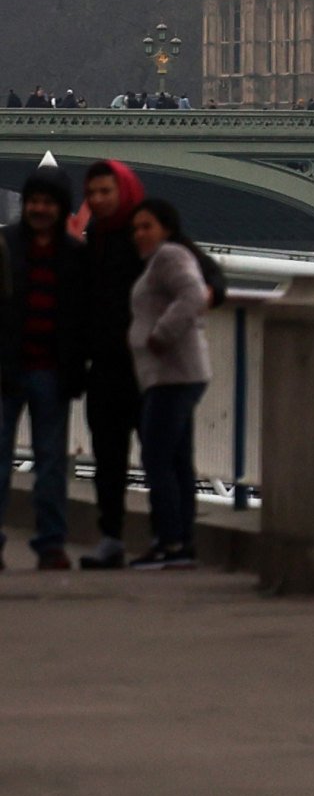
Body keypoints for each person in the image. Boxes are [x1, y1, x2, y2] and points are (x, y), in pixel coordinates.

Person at [122, 197, 217, 570]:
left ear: (167, 228)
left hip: (173, 375)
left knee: (156, 458)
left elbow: (194, 294)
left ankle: (168, 541)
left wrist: (159, 335)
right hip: (176, 375)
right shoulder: (159, 261)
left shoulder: (169, 256)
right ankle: (182, 544)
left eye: (147, 226)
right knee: (177, 461)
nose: (140, 234)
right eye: (136, 228)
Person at [65, 160, 146, 566]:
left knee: (161, 458)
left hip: (147, 367)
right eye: (91, 193)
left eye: (105, 192)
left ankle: (173, 541)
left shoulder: (146, 232)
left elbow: (200, 279)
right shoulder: (94, 237)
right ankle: (111, 538)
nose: (97, 200)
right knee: (108, 460)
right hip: (106, 367)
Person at [4, 164, 78, 570]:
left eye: (47, 202)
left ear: (60, 207)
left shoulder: (75, 256)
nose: (39, 208)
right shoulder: (4, 246)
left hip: (52, 370)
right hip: (7, 369)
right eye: (33, 201)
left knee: (51, 463)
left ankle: (52, 543)